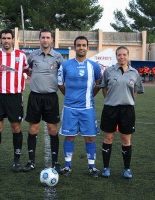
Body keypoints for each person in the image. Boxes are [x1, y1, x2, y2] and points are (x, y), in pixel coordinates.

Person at [58, 36, 102, 177]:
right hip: (70, 108)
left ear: (87, 48)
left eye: (84, 45)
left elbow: (98, 84)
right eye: (78, 45)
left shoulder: (94, 66)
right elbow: (60, 84)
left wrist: (89, 97)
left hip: (87, 109)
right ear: (74, 47)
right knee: (69, 137)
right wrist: (70, 96)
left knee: (90, 138)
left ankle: (92, 167)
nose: (81, 47)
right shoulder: (65, 65)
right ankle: (67, 166)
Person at [0, 29, 29, 172]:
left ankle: (16, 161)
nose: (6, 41)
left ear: (13, 40)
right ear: (0, 40)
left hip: (15, 97)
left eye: (8, 38)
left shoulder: (22, 56)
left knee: (16, 127)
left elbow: (27, 71)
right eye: (3, 38)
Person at [99, 46, 144, 179]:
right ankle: (106, 168)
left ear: (128, 56)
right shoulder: (108, 71)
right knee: (108, 138)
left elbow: (136, 91)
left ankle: (127, 169)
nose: (122, 57)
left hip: (127, 110)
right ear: (116, 56)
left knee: (126, 139)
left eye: (124, 55)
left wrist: (128, 100)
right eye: (119, 55)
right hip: (110, 109)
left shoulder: (134, 73)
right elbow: (104, 88)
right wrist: (111, 100)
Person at [23, 28, 64, 172]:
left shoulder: (58, 57)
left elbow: (62, 75)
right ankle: (31, 161)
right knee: (33, 129)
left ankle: (55, 162)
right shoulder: (32, 56)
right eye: (43, 37)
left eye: (48, 37)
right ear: (39, 39)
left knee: (52, 129)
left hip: (51, 97)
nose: (45, 40)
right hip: (35, 96)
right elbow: (25, 70)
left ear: (52, 40)